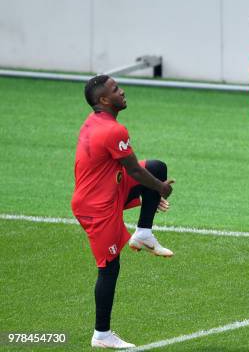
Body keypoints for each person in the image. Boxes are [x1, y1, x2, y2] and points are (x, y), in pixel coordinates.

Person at [72, 75, 175, 348]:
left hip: (109, 190)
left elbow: (135, 172)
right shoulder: (112, 130)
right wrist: (160, 190)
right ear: (104, 100)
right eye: (116, 89)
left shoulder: (97, 122)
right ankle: (102, 335)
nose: (122, 91)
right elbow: (133, 171)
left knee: (156, 167)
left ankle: (143, 233)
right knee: (109, 267)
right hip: (95, 208)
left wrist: (149, 194)